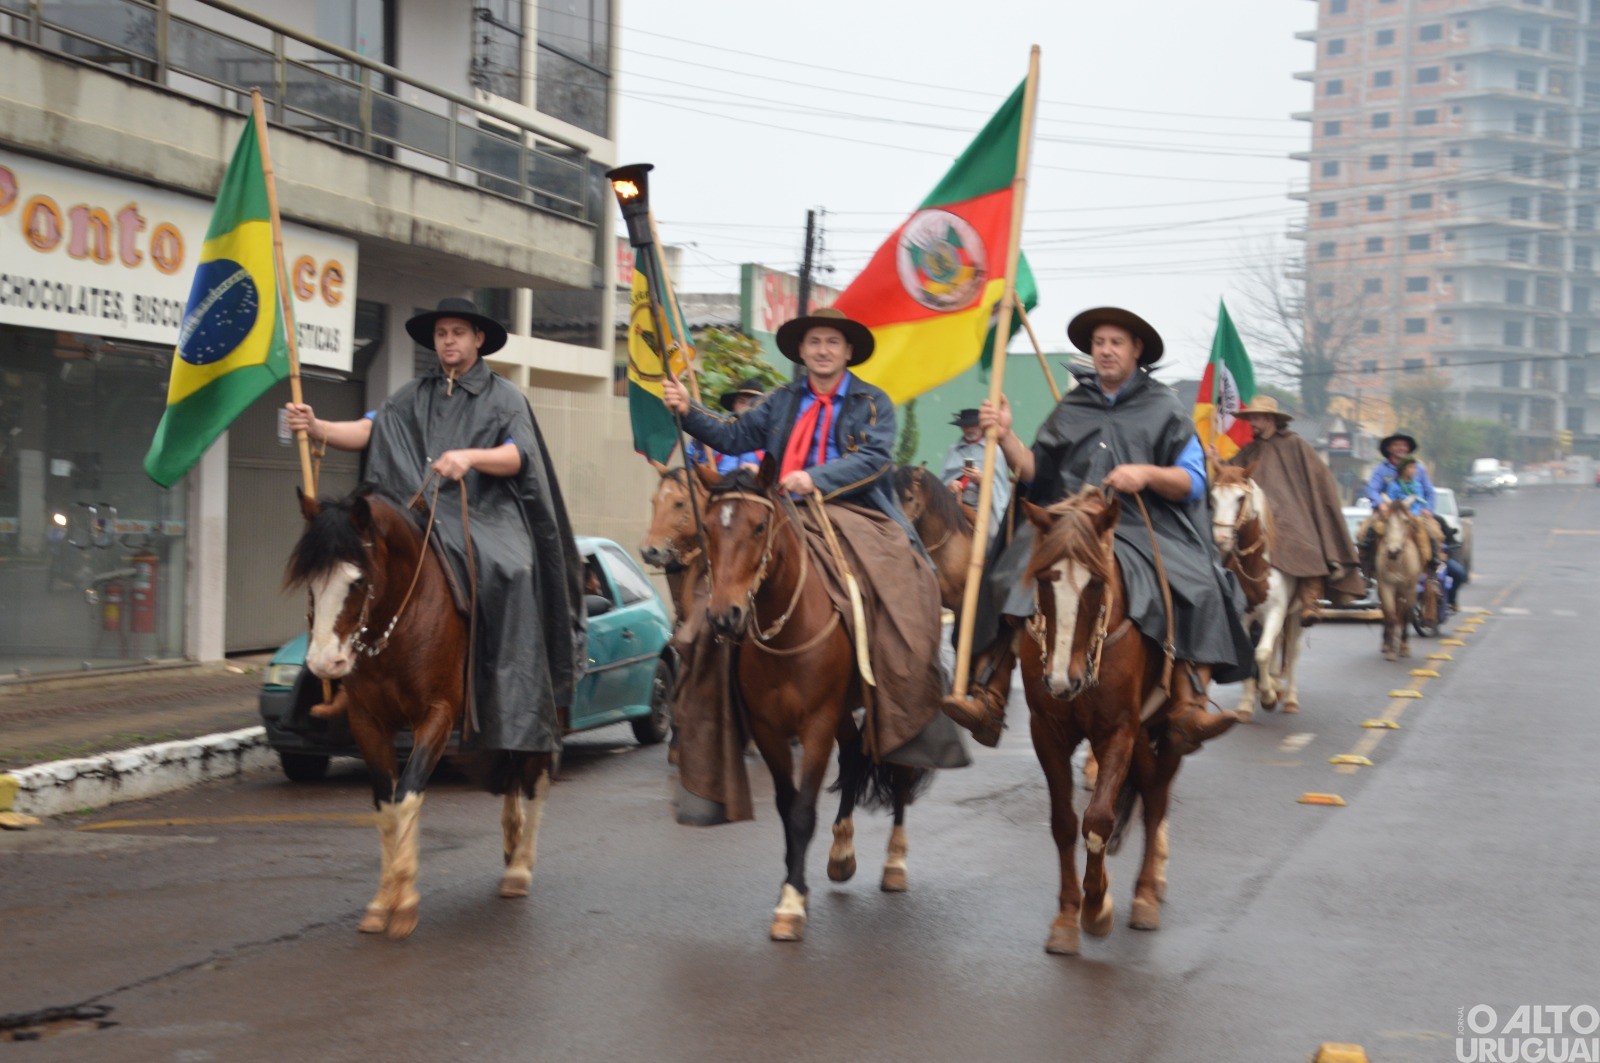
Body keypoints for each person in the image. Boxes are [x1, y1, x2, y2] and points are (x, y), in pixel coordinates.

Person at [660, 306, 966, 771]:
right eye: (814, 343)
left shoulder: (872, 402)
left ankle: (906, 691)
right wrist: (688, 411)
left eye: (832, 343)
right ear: (803, 352)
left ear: (846, 353)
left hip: (855, 508)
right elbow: (735, 434)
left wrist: (815, 477)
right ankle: (709, 704)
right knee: (713, 579)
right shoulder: (782, 399)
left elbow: (876, 459)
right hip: (782, 508)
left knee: (907, 574)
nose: (823, 351)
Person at [940, 306, 1254, 752]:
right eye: (1099, 343)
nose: (1106, 351)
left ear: (1136, 350)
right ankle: (988, 694)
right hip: (1067, 523)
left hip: (1142, 525)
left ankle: (1190, 702)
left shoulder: (1165, 406)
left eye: (1116, 343)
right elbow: (1035, 472)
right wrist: (1007, 436)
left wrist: (1146, 474)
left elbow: (1194, 480)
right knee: (1005, 571)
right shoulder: (1073, 405)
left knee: (1202, 584)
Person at [284, 296, 583, 754]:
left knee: (516, 570)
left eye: (458, 333)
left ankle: (507, 696)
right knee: (346, 567)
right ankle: (332, 682)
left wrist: (470, 457)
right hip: (414, 511)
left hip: (483, 515)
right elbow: (369, 430)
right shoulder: (411, 394)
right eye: (442, 333)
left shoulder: (505, 397)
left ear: (478, 339)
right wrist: (317, 426)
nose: (449, 341)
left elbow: (519, 456)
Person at [1225, 395, 1364, 625]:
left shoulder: (1295, 444)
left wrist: (1301, 506)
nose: (1252, 423)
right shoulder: (1248, 450)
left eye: (1256, 418)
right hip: (1255, 512)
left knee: (1304, 540)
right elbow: (1231, 472)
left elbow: (1320, 478)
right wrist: (1212, 460)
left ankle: (1310, 600)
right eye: (1250, 418)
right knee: (1224, 541)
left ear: (1270, 419)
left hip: (1291, 512)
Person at [940, 408, 1011, 540]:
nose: (969, 429)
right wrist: (950, 485)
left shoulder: (994, 449)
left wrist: (981, 480)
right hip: (957, 501)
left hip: (985, 503)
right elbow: (943, 480)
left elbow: (1000, 486)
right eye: (966, 426)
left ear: (980, 426)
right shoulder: (953, 450)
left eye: (973, 425)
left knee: (993, 535)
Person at [685, 377, 767, 475]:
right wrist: (699, 470)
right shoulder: (714, 431)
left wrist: (760, 473)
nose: (746, 407)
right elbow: (690, 460)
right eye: (741, 401)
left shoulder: (769, 442)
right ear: (733, 405)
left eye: (753, 403)